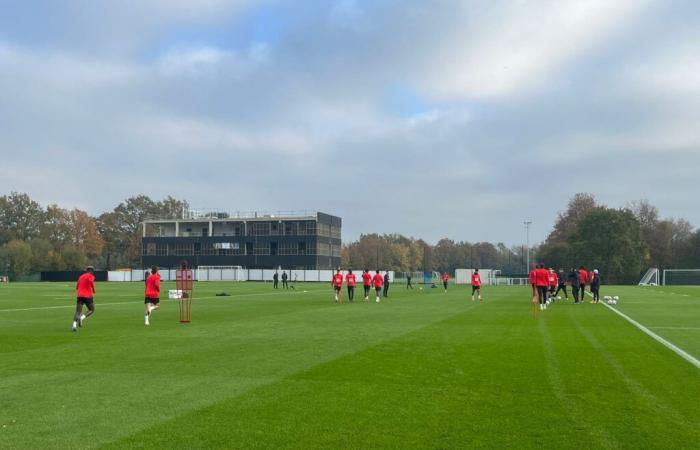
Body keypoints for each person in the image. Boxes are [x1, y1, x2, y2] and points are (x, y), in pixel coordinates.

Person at [72, 266, 96, 332]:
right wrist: (93, 289)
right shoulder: (91, 276)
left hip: (80, 296)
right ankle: (81, 318)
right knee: (92, 309)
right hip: (88, 296)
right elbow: (90, 281)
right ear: (91, 271)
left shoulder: (81, 276)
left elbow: (77, 286)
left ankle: (74, 325)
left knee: (77, 312)